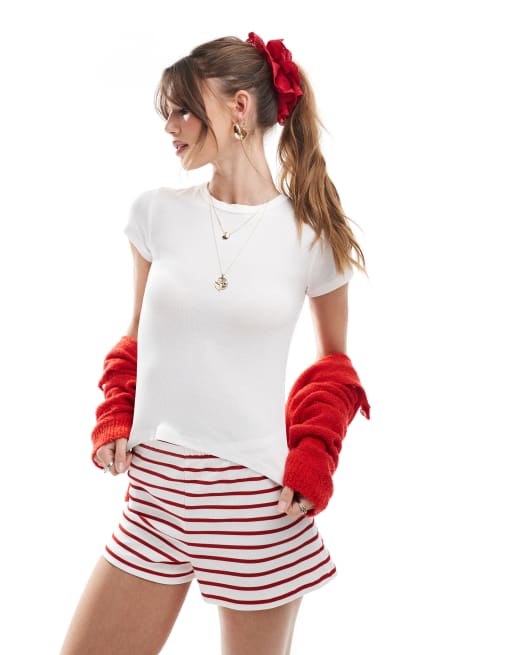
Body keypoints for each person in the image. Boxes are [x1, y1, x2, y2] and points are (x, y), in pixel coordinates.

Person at [59, 32, 370, 655]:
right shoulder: (155, 213)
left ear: (239, 108)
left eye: (183, 109)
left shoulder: (311, 235)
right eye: (167, 112)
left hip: (256, 508)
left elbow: (334, 366)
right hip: (156, 496)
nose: (170, 126)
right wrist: (117, 411)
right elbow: (135, 334)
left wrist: (315, 455)